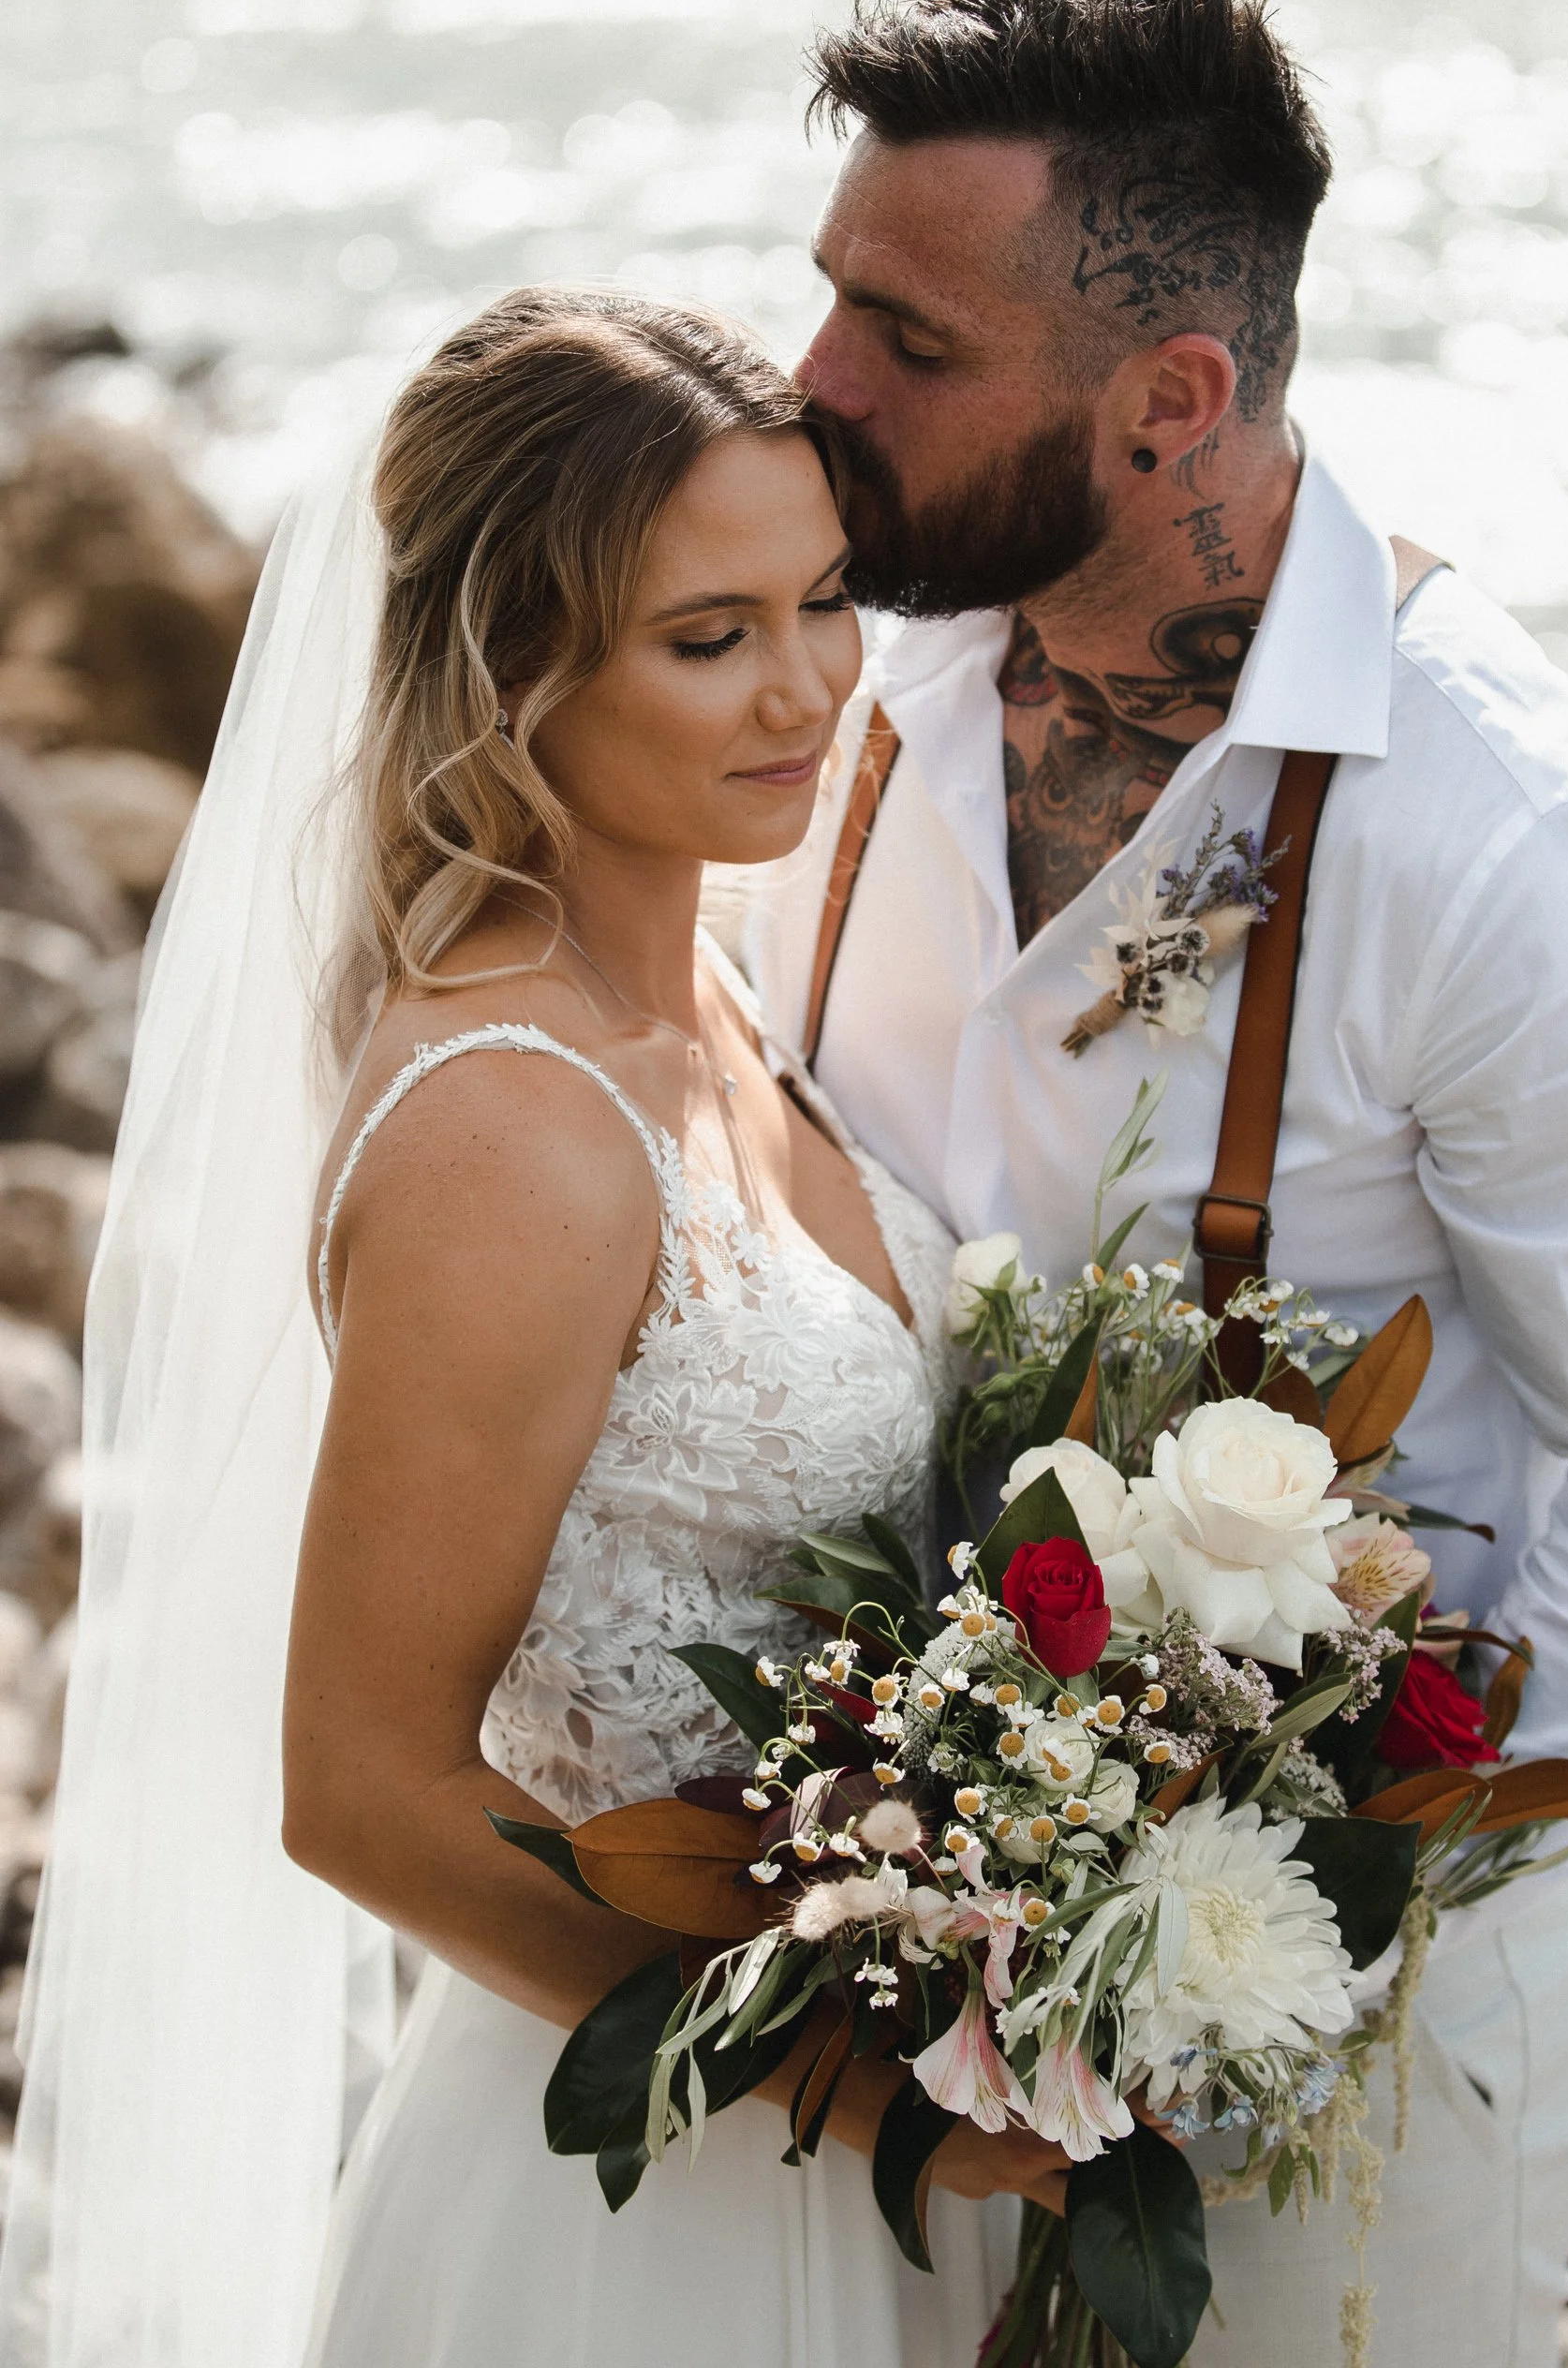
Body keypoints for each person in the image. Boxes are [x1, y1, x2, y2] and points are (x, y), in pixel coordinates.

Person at [747, 0, 1568, 2366]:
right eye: (826, 295)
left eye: (908, 339)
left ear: (1173, 398)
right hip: (866, 1956)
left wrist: (1289, 1911)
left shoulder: (1498, 842)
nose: (813, 384)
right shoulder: (837, 668)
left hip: (1356, 2042)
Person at [0, 290, 1048, 2368]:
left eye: (824, 600)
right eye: (707, 637)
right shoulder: (513, 1127)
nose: (807, 688)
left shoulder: (707, 978)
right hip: (647, 2197)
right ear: (509, 671)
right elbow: (363, 1791)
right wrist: (857, 2092)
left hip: (875, 2117)